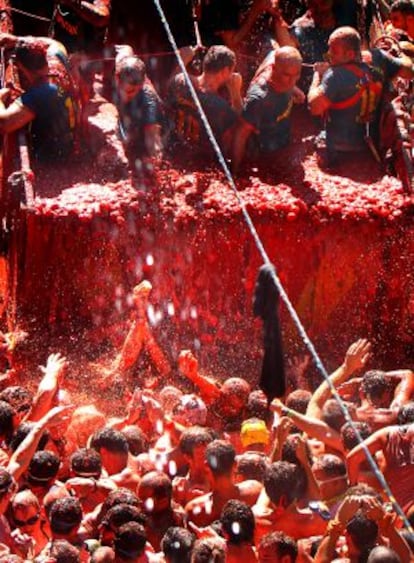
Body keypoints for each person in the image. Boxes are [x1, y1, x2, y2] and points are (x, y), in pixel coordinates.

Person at [308, 26, 414, 164]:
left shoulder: (334, 76)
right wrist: (399, 53)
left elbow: (314, 107)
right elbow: (409, 71)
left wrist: (317, 75)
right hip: (371, 146)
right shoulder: (379, 57)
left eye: (333, 51)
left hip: (338, 150)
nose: (328, 55)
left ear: (350, 55)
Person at [0, 34, 78, 162]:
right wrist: (18, 40)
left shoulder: (40, 93)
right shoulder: (57, 59)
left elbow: (4, 124)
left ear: (21, 66)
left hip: (54, 156)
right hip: (70, 138)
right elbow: (54, 42)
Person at [232, 46, 303, 172]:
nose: (292, 81)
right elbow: (240, 134)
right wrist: (234, 171)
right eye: (287, 75)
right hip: (265, 148)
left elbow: (274, 53)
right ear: (273, 69)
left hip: (283, 135)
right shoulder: (259, 98)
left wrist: (295, 90)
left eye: (296, 75)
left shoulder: (282, 67)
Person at [166, 45, 242, 158]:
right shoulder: (220, 107)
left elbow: (169, 88)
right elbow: (240, 132)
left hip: (172, 151)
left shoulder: (180, 81)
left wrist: (182, 60)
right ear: (225, 71)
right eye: (231, 70)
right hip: (199, 160)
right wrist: (236, 94)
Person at [114, 53, 164, 163]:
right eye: (122, 89)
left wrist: (155, 154)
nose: (125, 95)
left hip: (143, 141)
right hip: (128, 128)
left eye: (131, 92)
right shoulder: (119, 74)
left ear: (141, 86)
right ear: (117, 79)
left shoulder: (148, 101)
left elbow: (153, 136)